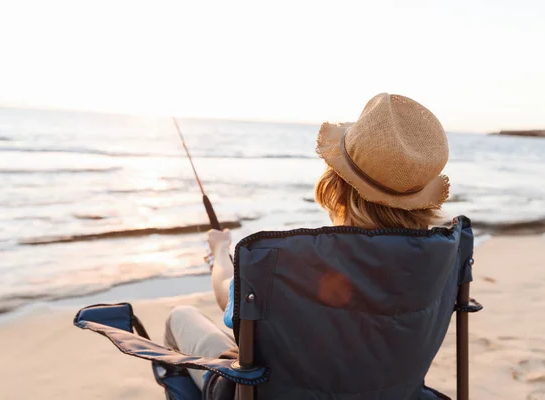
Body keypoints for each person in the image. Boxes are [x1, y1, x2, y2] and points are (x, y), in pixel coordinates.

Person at [163, 92, 450, 391]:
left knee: (180, 318)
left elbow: (228, 298)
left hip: (262, 393)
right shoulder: (437, 261)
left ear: (336, 186)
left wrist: (221, 250)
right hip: (387, 391)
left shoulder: (292, 263)